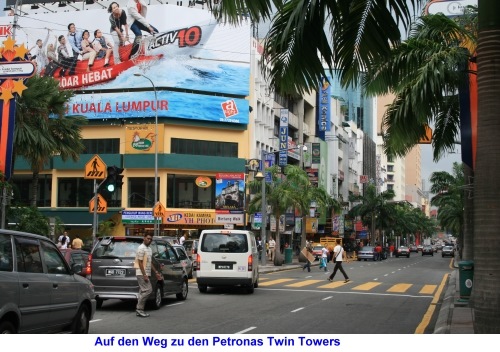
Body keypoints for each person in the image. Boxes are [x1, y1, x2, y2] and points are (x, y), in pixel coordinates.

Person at [134, 234, 162, 318]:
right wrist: (144, 274)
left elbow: (150, 262)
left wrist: (156, 272)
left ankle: (139, 309)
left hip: (147, 273)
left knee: (143, 291)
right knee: (148, 290)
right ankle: (139, 309)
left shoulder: (149, 249)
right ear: (144, 238)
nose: (149, 240)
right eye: (148, 238)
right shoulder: (141, 248)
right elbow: (140, 262)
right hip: (141, 273)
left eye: (151, 239)